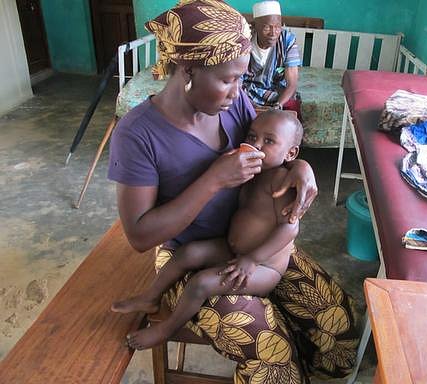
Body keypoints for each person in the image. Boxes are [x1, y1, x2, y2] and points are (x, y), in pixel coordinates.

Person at [108, 1, 358, 382]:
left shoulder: (232, 103)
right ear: (188, 71)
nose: (237, 92)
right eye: (228, 80)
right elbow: (140, 235)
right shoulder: (137, 134)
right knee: (272, 359)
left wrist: (302, 167)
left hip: (252, 240)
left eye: (241, 79)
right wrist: (213, 180)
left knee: (336, 319)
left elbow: (276, 144)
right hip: (189, 257)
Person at [113, 110, 304, 350]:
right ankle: (151, 297)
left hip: (263, 267)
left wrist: (252, 259)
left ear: (291, 153)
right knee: (190, 252)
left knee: (201, 283)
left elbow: (290, 229)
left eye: (269, 141)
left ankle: (166, 328)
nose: (256, 145)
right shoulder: (252, 169)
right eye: (252, 136)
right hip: (234, 249)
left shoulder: (281, 182)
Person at [242, 1, 302, 119]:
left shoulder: (287, 41)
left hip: (278, 94)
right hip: (248, 93)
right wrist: (252, 107)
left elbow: (292, 83)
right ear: (254, 26)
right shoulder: (244, 41)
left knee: (292, 112)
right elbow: (236, 81)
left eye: (278, 27)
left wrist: (278, 105)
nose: (273, 33)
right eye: (267, 27)